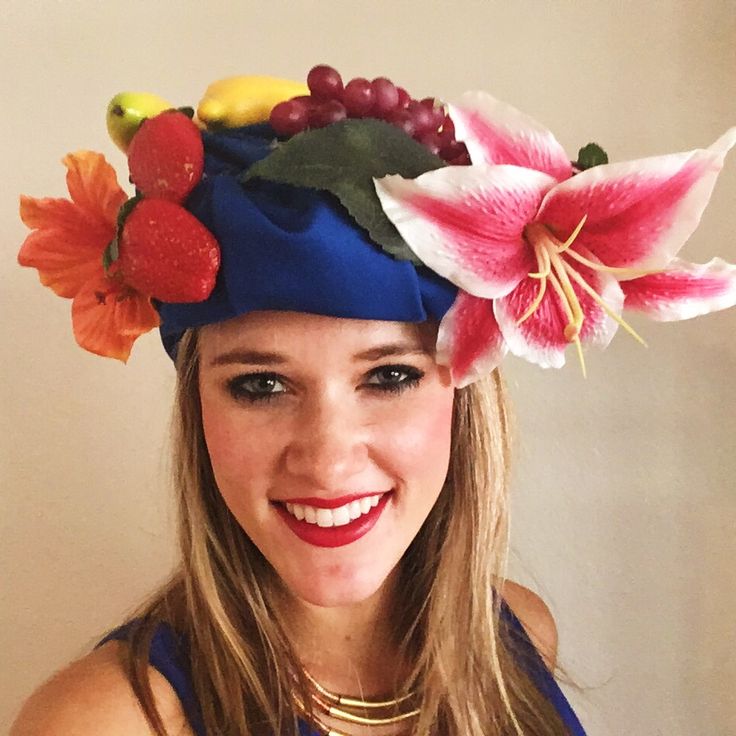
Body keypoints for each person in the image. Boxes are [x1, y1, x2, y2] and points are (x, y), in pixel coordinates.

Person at [11, 67, 736, 736]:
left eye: (388, 377)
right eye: (260, 385)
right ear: (198, 408)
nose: (327, 458)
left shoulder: (518, 634)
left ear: (465, 393)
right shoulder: (107, 721)